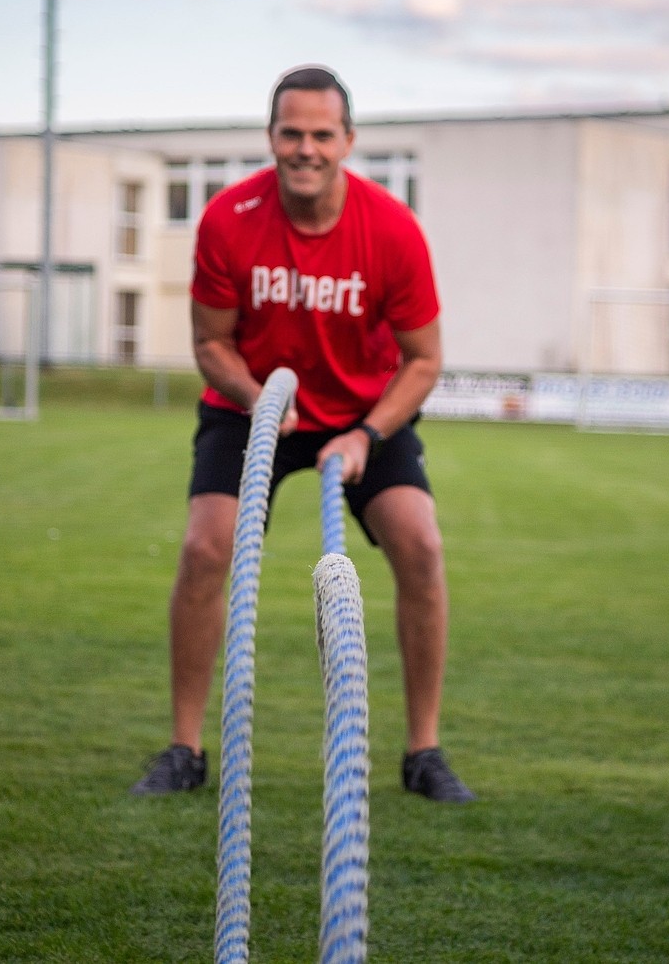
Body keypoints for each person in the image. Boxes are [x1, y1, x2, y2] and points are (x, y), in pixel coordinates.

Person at [131, 65, 474, 803]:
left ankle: (424, 751)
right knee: (203, 547)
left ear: (348, 141)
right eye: (292, 133)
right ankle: (185, 748)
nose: (306, 148)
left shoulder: (391, 229)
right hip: (250, 401)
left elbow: (424, 360)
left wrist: (366, 437)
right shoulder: (229, 218)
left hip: (360, 413)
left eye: (323, 134)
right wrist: (257, 399)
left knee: (421, 542)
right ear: (271, 137)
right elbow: (209, 344)